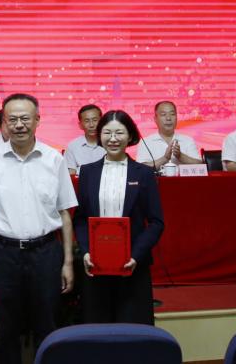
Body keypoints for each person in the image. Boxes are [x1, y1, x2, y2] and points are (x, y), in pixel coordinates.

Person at [0, 94, 77, 364]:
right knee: (7, 325)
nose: (19, 125)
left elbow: (65, 214)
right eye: (12, 119)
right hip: (3, 252)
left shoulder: (54, 159)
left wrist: (67, 262)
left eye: (25, 118)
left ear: (37, 120)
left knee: (47, 321)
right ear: (4, 123)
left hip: (46, 252)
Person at [74, 109, 164, 324]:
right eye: (107, 133)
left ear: (130, 135)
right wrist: (86, 252)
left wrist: (136, 255)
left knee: (132, 330)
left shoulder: (143, 173)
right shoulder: (87, 172)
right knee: (97, 329)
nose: (113, 139)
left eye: (119, 133)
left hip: (132, 266)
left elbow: (156, 222)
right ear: (99, 135)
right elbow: (80, 219)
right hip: (95, 265)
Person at [137, 100, 203, 169]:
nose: (168, 118)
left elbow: (201, 165)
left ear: (176, 118)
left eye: (172, 114)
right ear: (155, 119)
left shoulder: (187, 140)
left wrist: (180, 156)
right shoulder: (146, 142)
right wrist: (165, 158)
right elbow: (140, 169)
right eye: (163, 114)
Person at [64, 104, 104, 174]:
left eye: (95, 120)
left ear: (102, 122)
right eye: (87, 121)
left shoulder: (110, 143)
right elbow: (71, 174)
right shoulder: (72, 146)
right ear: (80, 125)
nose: (91, 125)